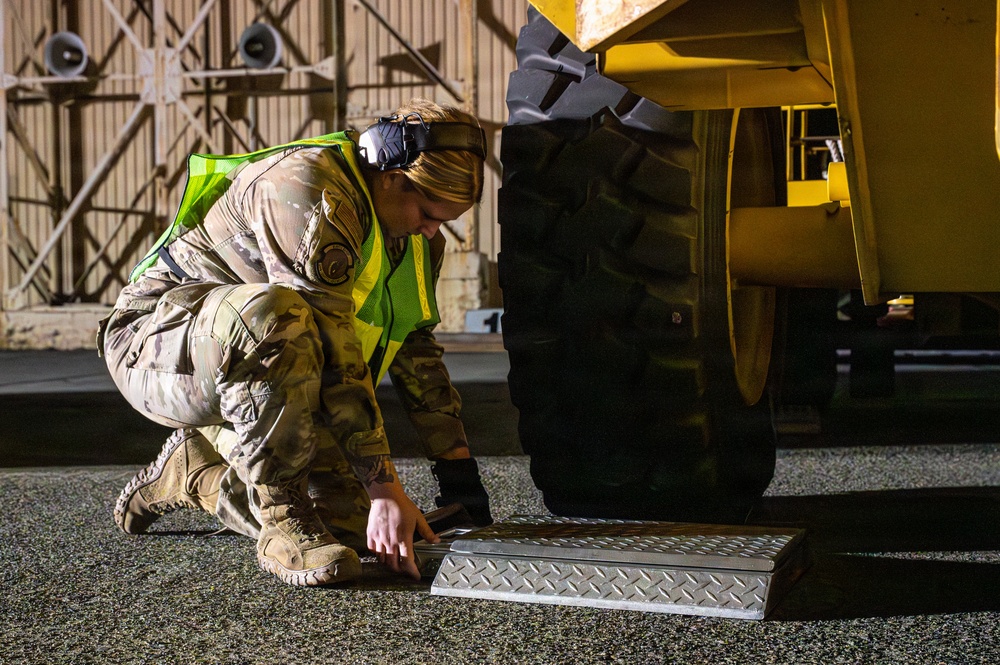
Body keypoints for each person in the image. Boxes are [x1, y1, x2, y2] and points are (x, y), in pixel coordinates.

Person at [98, 98, 494, 587]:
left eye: (444, 221)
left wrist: (457, 475)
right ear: (391, 175)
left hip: (266, 371)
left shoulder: (416, 239)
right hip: (156, 346)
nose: (433, 230)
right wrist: (384, 486)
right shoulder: (309, 190)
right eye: (429, 212)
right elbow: (335, 351)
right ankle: (283, 524)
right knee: (273, 315)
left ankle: (195, 474)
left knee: (359, 534)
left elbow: (417, 355)